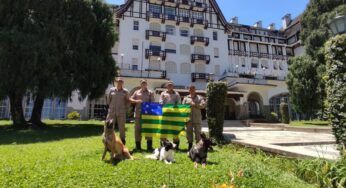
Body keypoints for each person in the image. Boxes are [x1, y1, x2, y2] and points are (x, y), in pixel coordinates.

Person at [106, 77, 141, 145]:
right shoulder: (111, 90)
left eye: (121, 82)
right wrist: (110, 107)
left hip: (121, 112)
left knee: (122, 128)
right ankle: (109, 142)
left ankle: (122, 143)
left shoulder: (125, 91)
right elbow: (108, 100)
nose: (120, 83)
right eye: (119, 81)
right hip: (112, 112)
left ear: (123, 83)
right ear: (116, 82)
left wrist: (126, 108)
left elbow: (128, 100)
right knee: (109, 127)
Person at [131, 79, 155, 151]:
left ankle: (149, 147)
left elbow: (152, 103)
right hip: (138, 114)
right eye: (142, 83)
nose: (144, 84)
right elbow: (131, 99)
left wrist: (148, 106)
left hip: (147, 115)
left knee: (148, 130)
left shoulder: (150, 92)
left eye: (145, 83)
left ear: (146, 84)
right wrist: (136, 101)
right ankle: (138, 147)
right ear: (140, 84)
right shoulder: (136, 92)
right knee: (137, 130)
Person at [182, 85, 206, 150]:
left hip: (197, 118)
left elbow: (203, 105)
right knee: (188, 132)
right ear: (188, 90)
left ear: (195, 90)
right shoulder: (186, 98)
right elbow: (183, 107)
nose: (192, 90)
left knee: (198, 133)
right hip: (188, 118)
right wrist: (188, 106)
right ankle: (190, 145)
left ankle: (198, 146)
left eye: (193, 89)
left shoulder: (199, 97)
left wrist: (195, 105)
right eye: (190, 89)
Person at [159, 81, 181, 150]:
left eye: (171, 85)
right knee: (164, 130)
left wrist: (173, 107)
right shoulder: (163, 93)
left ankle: (176, 146)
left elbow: (179, 104)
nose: (170, 86)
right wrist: (166, 106)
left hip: (173, 115)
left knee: (174, 130)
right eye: (168, 85)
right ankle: (163, 145)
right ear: (166, 86)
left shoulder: (177, 94)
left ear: (173, 86)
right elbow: (160, 102)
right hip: (165, 115)